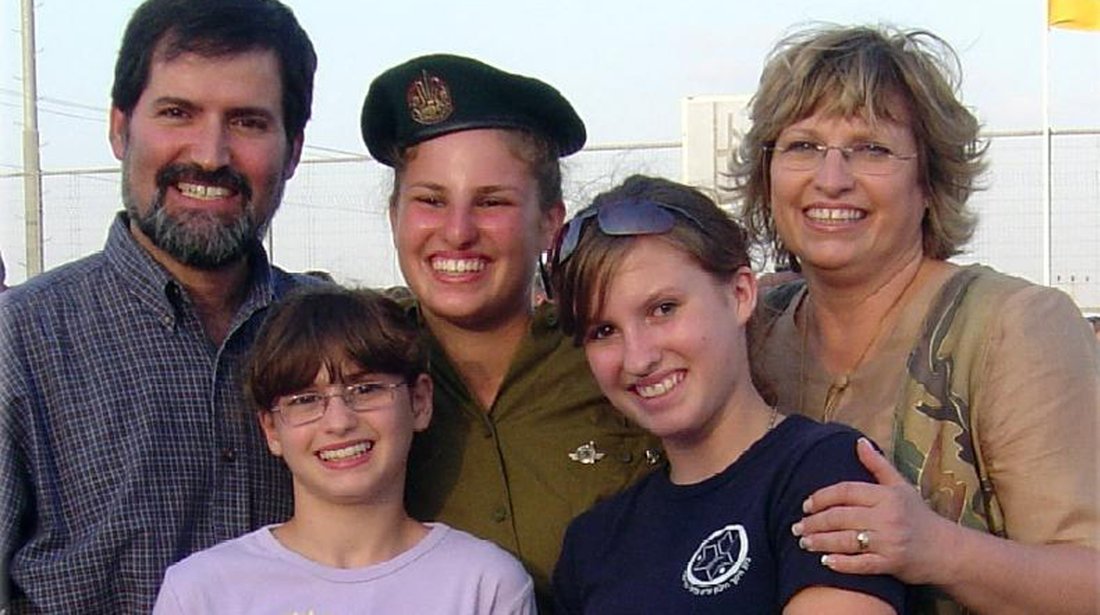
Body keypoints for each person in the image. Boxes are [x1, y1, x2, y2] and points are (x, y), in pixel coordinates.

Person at [733, 24, 1100, 613]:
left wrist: (938, 550)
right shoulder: (748, 331)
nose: (831, 179)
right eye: (803, 146)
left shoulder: (1012, 326)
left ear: (929, 181)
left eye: (871, 149)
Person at [0, 0, 318, 611]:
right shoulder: (21, 346)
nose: (211, 154)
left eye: (248, 122)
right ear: (120, 128)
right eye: (177, 113)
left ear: (294, 149)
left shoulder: (346, 342)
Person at [360, 54, 659, 609]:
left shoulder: (619, 358)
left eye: (492, 201)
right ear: (394, 215)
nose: (457, 232)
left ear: (549, 223)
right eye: (430, 201)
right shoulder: (356, 379)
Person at [548, 175, 905, 614]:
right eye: (603, 331)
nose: (638, 358)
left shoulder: (822, 472)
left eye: (663, 309)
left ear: (740, 295)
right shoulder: (592, 543)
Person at [153, 287, 535, 614]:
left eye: (365, 389)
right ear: (271, 429)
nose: (339, 422)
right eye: (305, 400)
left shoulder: (484, 584)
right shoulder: (201, 593)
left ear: (419, 401)